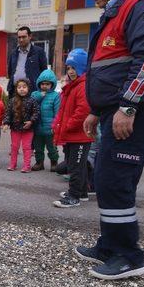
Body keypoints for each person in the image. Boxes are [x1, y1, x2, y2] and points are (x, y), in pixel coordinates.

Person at [78, 0, 144, 279]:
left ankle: (129, 256)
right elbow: (110, 66)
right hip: (115, 112)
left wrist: (128, 107)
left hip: (134, 114)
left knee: (115, 180)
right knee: (109, 179)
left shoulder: (137, 7)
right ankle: (110, 244)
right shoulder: (115, 13)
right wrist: (97, 110)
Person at [52, 49, 93, 207]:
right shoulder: (72, 86)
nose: (70, 71)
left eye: (74, 68)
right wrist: (58, 125)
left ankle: (74, 196)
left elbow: (82, 112)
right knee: (76, 164)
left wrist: (66, 126)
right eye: (68, 68)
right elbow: (64, 110)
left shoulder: (82, 86)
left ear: (82, 67)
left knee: (76, 166)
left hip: (80, 136)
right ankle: (81, 192)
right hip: (72, 136)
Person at [3, 79, 40, 172]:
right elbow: (8, 113)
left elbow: (36, 112)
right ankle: (12, 164)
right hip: (15, 129)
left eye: (24, 87)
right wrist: (6, 123)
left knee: (27, 147)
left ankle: (27, 166)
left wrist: (31, 121)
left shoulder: (32, 101)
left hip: (28, 129)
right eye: (19, 87)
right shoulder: (12, 101)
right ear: (16, 89)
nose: (22, 89)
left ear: (28, 88)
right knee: (14, 147)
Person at [31, 69, 60, 171]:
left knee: (52, 148)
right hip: (37, 128)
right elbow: (30, 103)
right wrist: (40, 95)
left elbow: (57, 112)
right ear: (39, 84)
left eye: (47, 84)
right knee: (38, 148)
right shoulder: (35, 94)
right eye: (42, 84)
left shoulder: (55, 96)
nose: (44, 86)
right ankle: (39, 163)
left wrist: (55, 126)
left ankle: (54, 162)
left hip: (50, 128)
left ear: (52, 84)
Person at [6, 26, 48, 97]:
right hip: (15, 91)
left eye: (24, 37)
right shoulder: (13, 53)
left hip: (31, 92)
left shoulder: (39, 52)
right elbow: (10, 72)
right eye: (19, 37)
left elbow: (43, 72)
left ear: (30, 36)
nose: (21, 40)